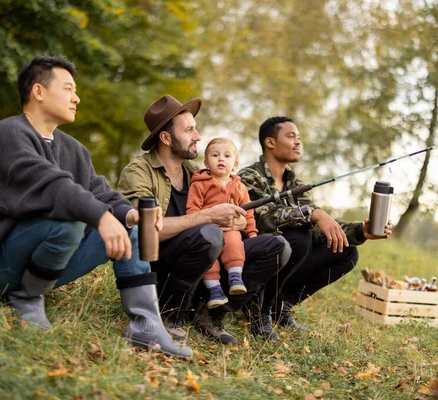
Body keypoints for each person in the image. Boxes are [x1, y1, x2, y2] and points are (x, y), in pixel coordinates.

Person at [0, 56, 192, 359]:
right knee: (70, 221)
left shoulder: (74, 149)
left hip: (39, 263)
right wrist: (101, 219)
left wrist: (129, 215)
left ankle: (145, 325)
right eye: (68, 89)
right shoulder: (7, 135)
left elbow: (100, 193)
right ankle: (27, 297)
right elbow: (52, 186)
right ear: (38, 91)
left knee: (129, 228)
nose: (77, 97)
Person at [118, 95, 291, 345]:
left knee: (277, 247)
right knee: (209, 235)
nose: (198, 136)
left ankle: (209, 312)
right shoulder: (138, 172)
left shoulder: (197, 173)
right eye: (189, 130)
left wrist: (239, 223)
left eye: (195, 129)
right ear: (166, 138)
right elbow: (143, 231)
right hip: (161, 267)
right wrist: (208, 216)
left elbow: (231, 210)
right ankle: (170, 314)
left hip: (208, 258)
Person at [238, 116, 392, 334]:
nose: (298, 142)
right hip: (252, 258)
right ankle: (258, 307)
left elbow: (318, 228)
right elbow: (264, 219)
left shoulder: (296, 184)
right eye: (291, 136)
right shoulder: (249, 176)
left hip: (288, 253)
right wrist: (312, 214)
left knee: (346, 251)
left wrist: (361, 231)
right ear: (270, 142)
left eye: (299, 137)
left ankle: (280, 305)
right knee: (298, 238)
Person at [186, 138, 258, 309]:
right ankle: (215, 290)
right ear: (205, 162)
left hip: (229, 229)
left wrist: (252, 232)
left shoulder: (240, 187)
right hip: (207, 231)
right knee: (208, 255)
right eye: (215, 155)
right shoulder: (199, 185)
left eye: (227, 156)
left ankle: (235, 278)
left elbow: (248, 212)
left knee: (234, 242)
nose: (220, 159)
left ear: (235, 164)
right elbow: (192, 210)